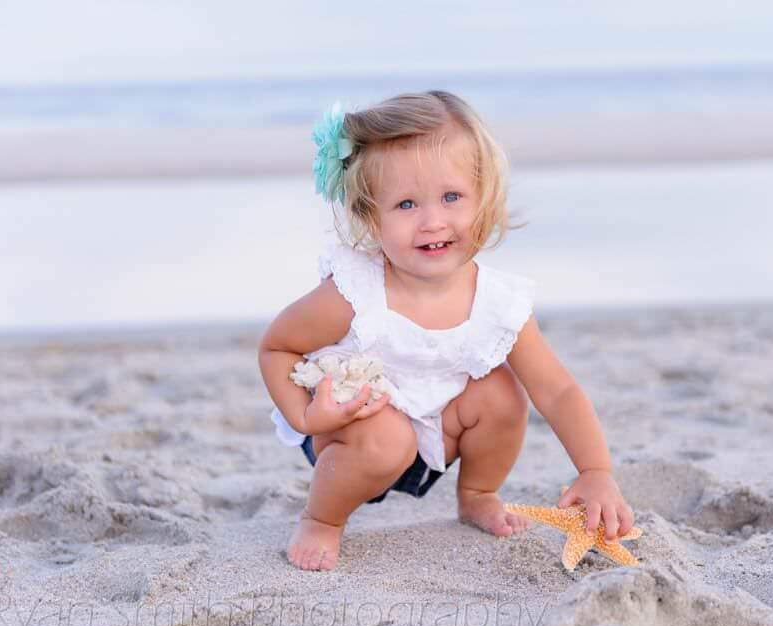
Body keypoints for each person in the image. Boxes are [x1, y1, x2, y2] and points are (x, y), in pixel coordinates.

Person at [258, 90, 634, 571]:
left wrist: (596, 471)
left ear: (484, 198)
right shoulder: (356, 290)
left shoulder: (499, 304)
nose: (433, 221)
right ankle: (322, 519)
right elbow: (276, 347)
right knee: (388, 437)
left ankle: (477, 493)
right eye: (406, 204)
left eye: (452, 197)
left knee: (501, 392)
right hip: (352, 432)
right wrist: (309, 418)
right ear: (371, 217)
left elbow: (557, 391)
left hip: (437, 430)